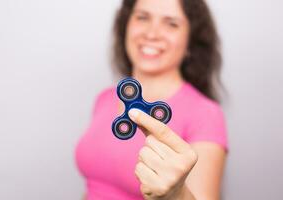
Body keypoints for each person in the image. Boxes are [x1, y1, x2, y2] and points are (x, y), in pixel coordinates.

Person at [75, 0, 228, 199]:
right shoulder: (104, 99)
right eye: (142, 17)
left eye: (171, 23)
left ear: (190, 41)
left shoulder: (206, 114)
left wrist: (176, 194)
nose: (152, 33)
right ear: (126, 26)